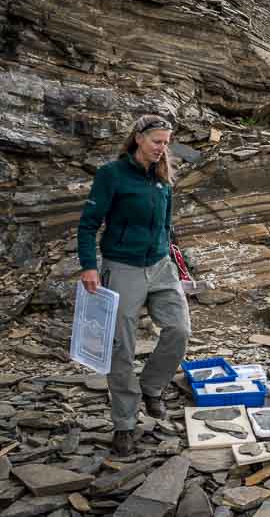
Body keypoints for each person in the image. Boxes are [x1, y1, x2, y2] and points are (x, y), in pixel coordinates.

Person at [77, 115, 190, 457]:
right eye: (157, 141)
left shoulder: (163, 178)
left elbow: (166, 227)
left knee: (179, 330)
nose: (162, 148)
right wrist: (89, 267)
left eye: (167, 142)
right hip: (122, 266)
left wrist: (176, 261)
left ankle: (151, 387)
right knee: (121, 346)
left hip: (160, 266)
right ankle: (125, 424)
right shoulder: (111, 175)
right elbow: (88, 225)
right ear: (139, 138)